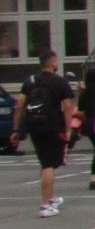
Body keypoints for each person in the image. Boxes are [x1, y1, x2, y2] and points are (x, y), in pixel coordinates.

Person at [13, 50, 76, 217]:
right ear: (53, 62)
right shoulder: (60, 82)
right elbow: (67, 106)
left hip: (34, 126)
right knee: (49, 164)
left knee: (43, 160)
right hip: (53, 126)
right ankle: (44, 205)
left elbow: (19, 106)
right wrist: (68, 128)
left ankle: (51, 198)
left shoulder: (30, 81)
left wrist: (16, 129)